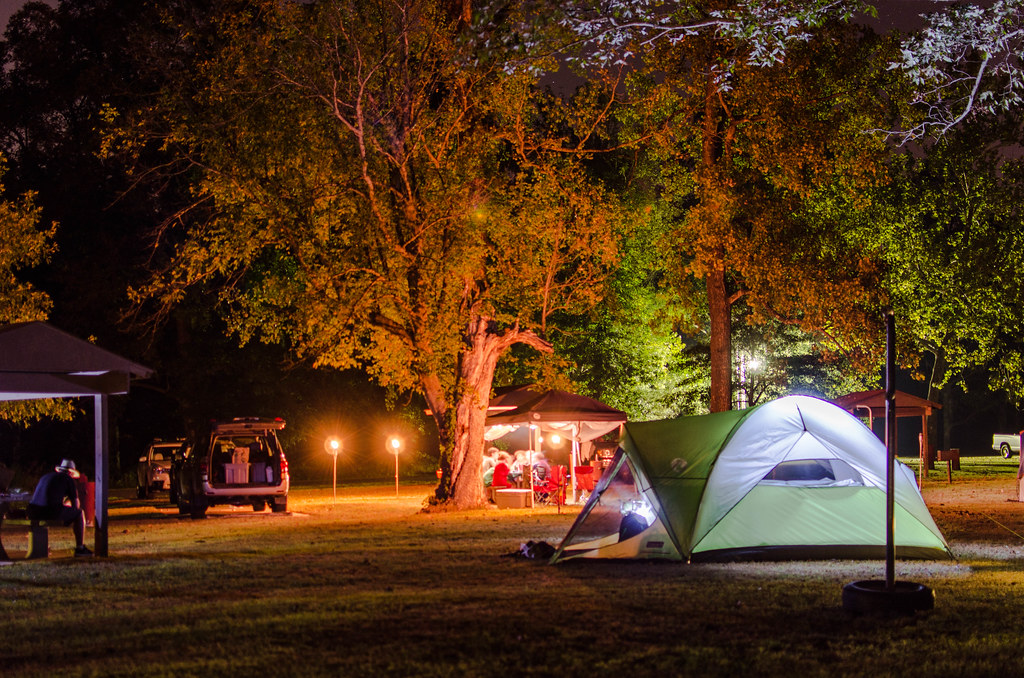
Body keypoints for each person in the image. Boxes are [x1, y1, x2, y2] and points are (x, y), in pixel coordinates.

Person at [27, 459, 91, 557]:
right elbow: (75, 506)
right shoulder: (68, 479)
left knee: (60, 510)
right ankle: (80, 548)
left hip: (33, 511)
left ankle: (41, 547)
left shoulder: (46, 476)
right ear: (70, 472)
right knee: (79, 513)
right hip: (50, 511)